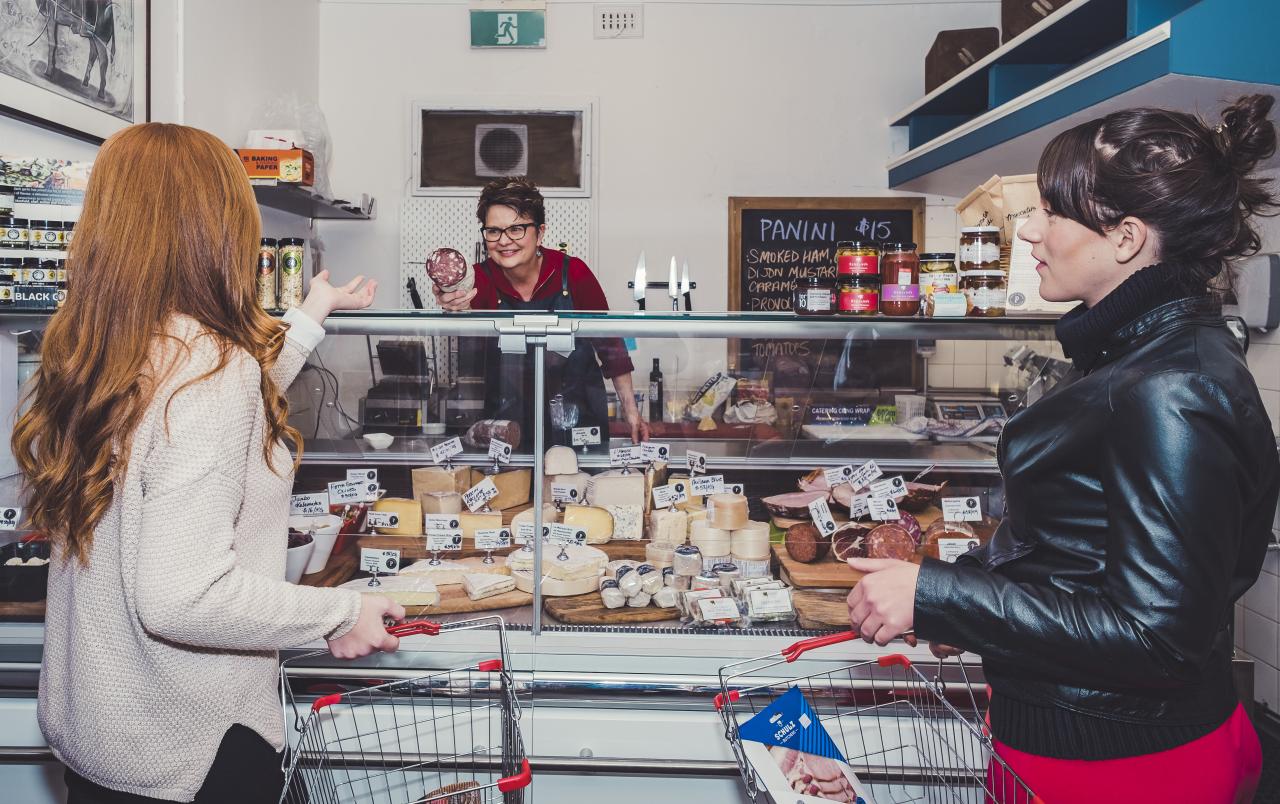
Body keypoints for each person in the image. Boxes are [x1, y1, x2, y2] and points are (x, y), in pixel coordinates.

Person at [846, 95, 1280, 803]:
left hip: (1128, 767)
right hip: (1080, 747)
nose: (1028, 233)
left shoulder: (1167, 386)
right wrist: (966, 599)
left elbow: (1157, 637)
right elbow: (1077, 554)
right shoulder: (1133, 356)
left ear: (1126, 239)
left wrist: (942, 597)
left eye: (1053, 212)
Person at [10, 123, 405, 804]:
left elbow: (227, 402)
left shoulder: (93, 352)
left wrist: (313, 311)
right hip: (191, 749)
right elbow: (182, 595)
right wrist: (340, 612)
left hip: (102, 740)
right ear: (215, 229)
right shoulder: (207, 371)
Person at [434, 177, 649, 444]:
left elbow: (611, 347)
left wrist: (631, 412)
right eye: (493, 231)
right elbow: (465, 323)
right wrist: (454, 304)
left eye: (516, 229)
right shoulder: (479, 280)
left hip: (578, 415)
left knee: (578, 485)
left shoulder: (573, 273)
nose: (504, 241)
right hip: (508, 420)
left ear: (541, 232)